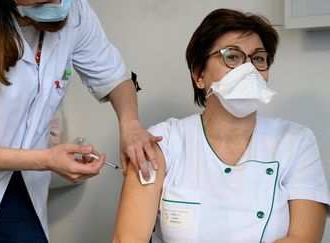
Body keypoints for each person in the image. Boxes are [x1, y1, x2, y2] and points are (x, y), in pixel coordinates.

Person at [0, 0, 161, 242]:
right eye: (45, 0)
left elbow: (114, 76)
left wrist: (131, 125)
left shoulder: (74, 10)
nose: (59, 4)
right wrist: (46, 159)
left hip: (17, 182)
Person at [113, 8, 330, 243]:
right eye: (232, 56)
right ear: (199, 75)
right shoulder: (163, 142)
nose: (249, 69)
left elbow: (304, 238)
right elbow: (128, 239)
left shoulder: (295, 141)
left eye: (258, 58)